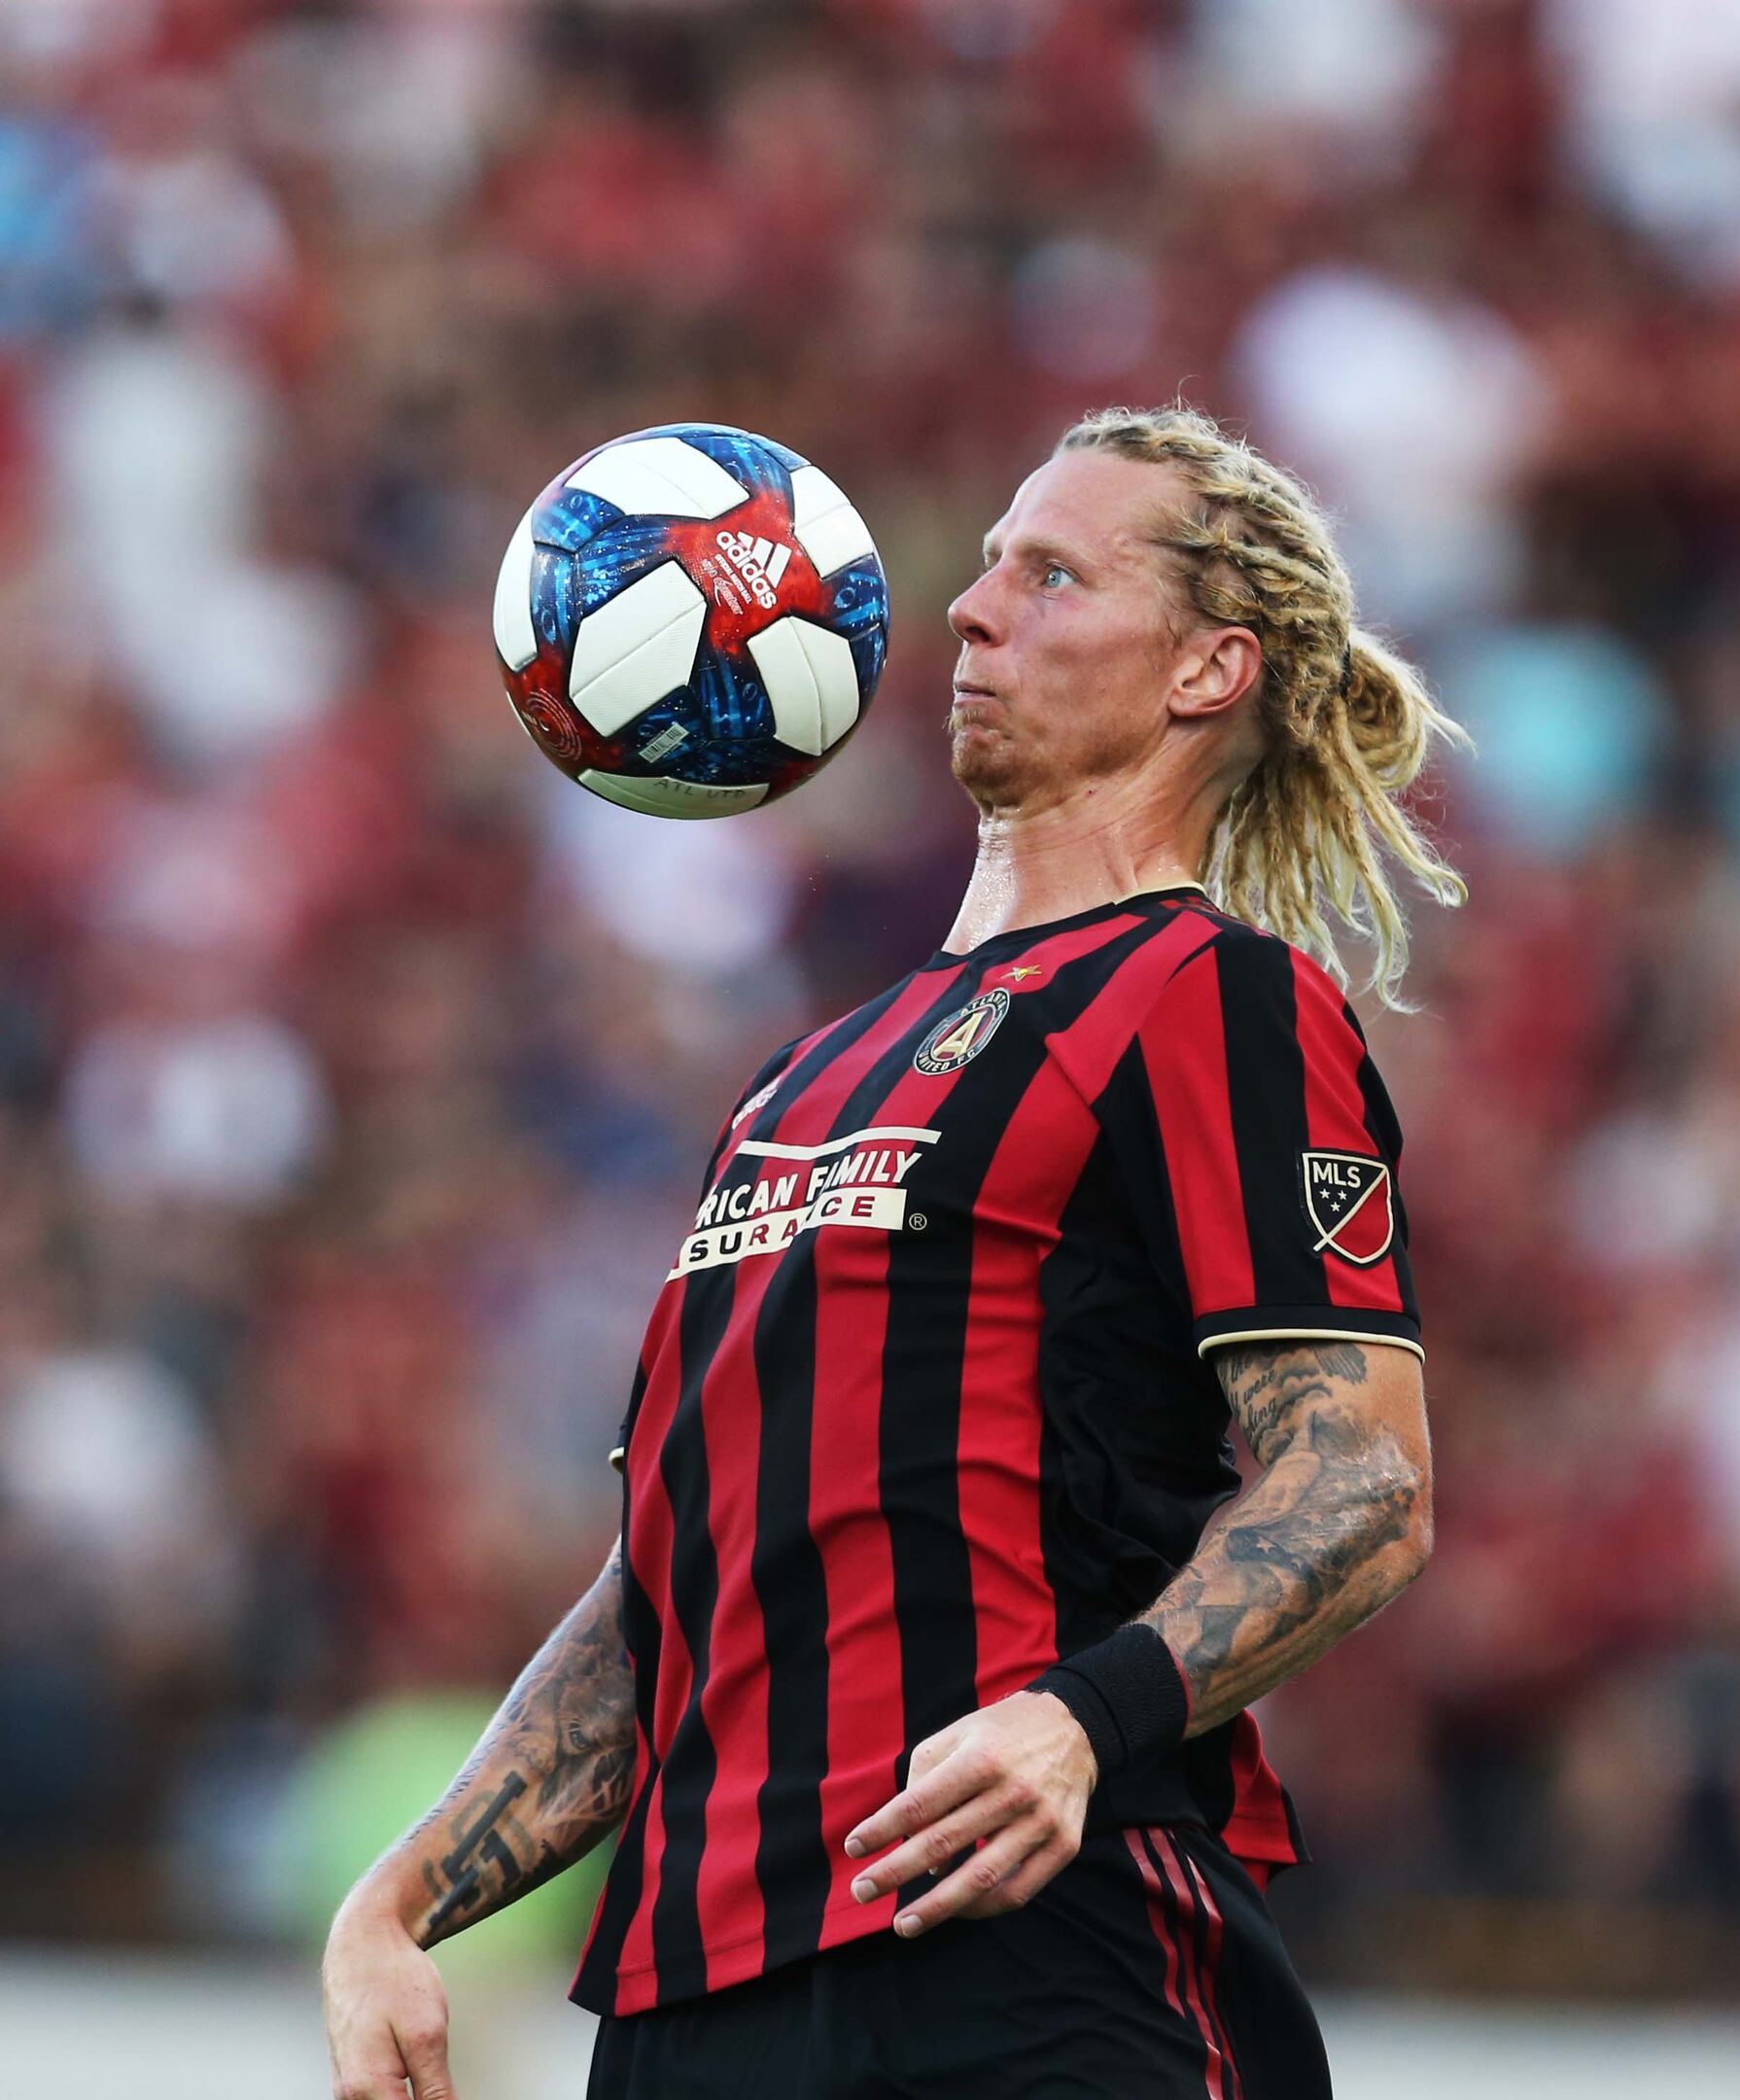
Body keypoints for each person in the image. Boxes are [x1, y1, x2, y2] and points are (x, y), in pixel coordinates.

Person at [321, 404, 1461, 2099]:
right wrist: (400, 1899)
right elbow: (671, 1584)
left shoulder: (1205, 996)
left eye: (1053, 573)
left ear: (1209, 669)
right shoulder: (800, 1076)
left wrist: (1086, 1716)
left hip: (1021, 1944)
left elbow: (1364, 1474)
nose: (967, 609)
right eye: (990, 563)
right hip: (692, 1998)